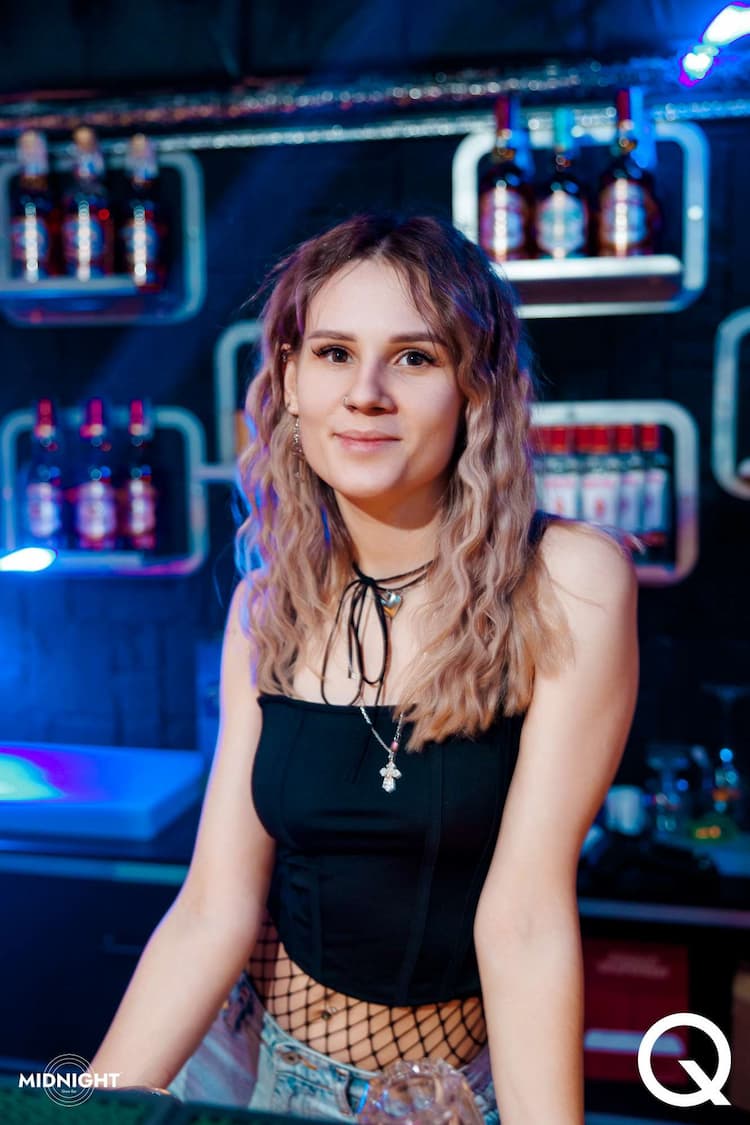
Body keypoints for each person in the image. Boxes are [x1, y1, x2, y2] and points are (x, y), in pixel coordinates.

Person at [88, 213, 639, 1125]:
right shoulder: (268, 605)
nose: (366, 393)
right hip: (244, 1063)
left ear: (475, 387)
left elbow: (526, 919)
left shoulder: (566, 581)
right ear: (290, 382)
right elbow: (214, 907)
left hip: (430, 1097)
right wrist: (88, 1110)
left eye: (414, 357)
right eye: (334, 353)